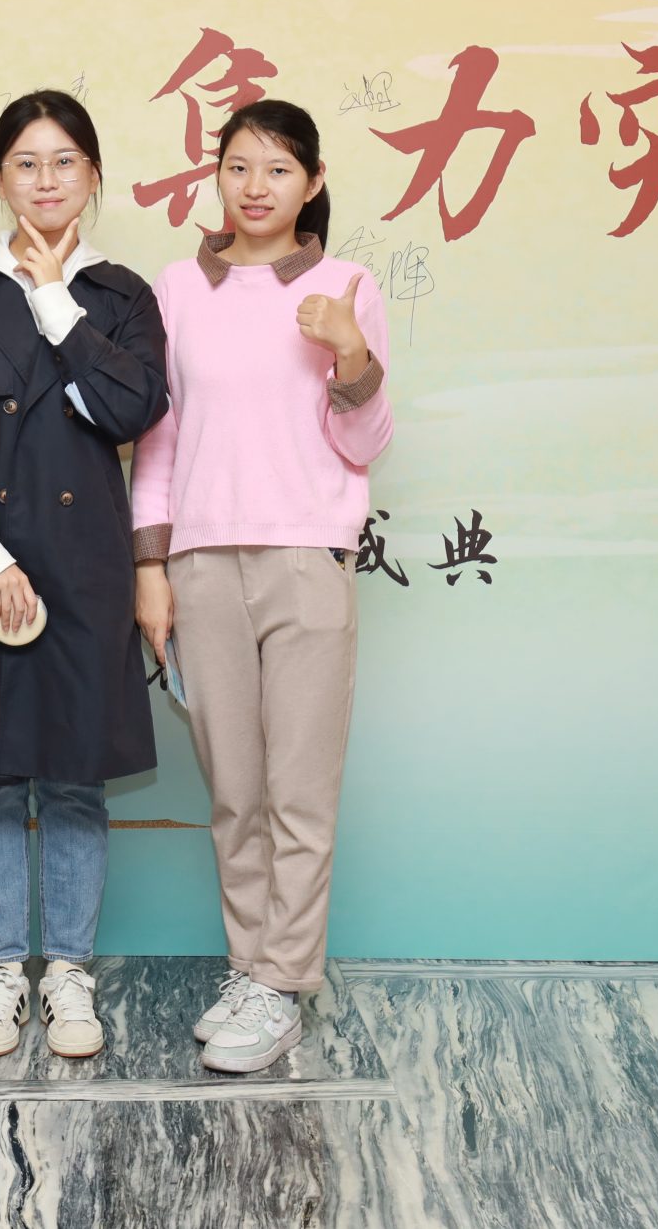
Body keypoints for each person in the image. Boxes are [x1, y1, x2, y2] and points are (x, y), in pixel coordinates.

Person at [0, 91, 169, 1060]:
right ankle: (2, 970)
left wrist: (55, 300)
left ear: (93, 175)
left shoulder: (122, 294)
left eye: (64, 162)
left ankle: (70, 974)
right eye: (26, 162)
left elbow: (131, 409)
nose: (45, 180)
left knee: (77, 780)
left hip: (86, 570)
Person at [129, 98, 395, 1074]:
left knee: (299, 792)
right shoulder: (176, 287)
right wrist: (149, 567)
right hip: (200, 563)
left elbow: (365, 442)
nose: (255, 187)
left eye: (278, 169)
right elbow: (156, 441)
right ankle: (251, 971)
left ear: (312, 182)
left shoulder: (345, 285)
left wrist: (351, 353)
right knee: (233, 791)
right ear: (217, 175)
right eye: (238, 166)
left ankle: (283, 982)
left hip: (306, 559)